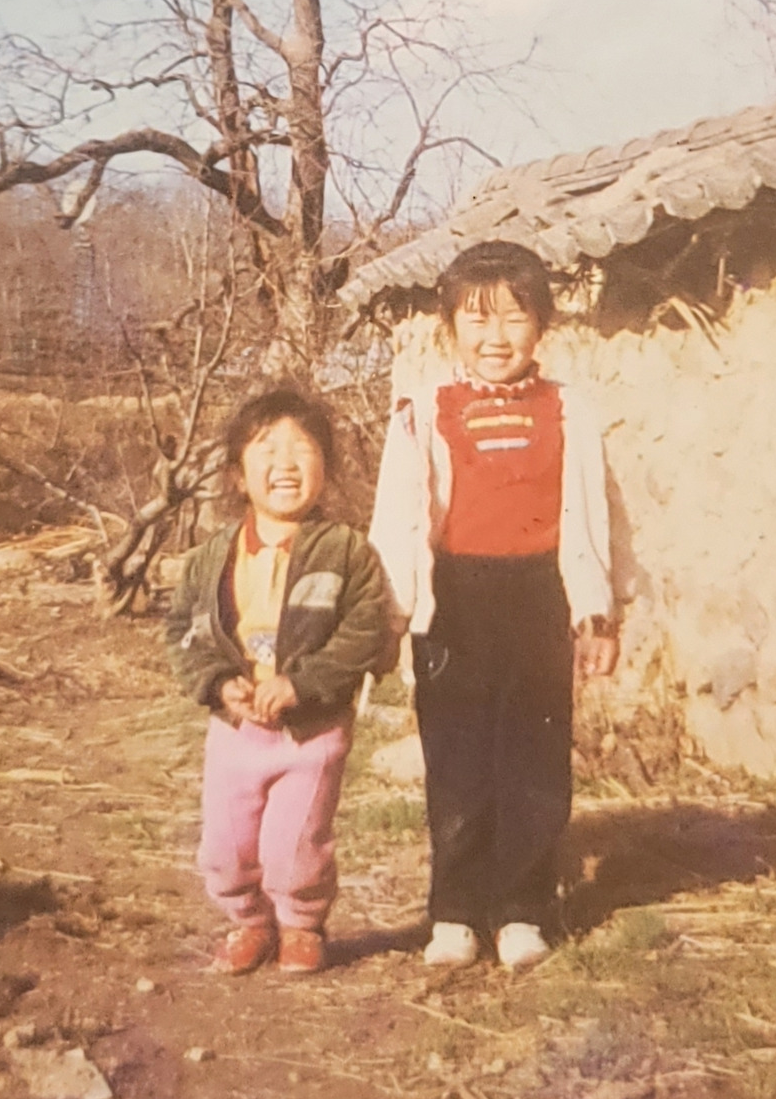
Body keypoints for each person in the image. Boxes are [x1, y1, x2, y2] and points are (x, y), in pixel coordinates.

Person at [369, 240, 619, 971]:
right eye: (478, 320)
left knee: (534, 760)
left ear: (542, 324)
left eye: (515, 317)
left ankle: (521, 908)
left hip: (538, 596)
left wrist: (595, 613)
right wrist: (390, 613)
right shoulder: (424, 410)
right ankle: (454, 910)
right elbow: (398, 518)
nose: (496, 337)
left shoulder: (568, 409)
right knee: (457, 759)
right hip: (455, 600)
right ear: (450, 327)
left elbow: (593, 517)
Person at [166, 387, 392, 976]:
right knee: (226, 848)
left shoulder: (346, 552)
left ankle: (300, 923)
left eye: (302, 448)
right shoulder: (211, 557)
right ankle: (250, 922)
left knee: (294, 845)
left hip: (311, 732)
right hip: (236, 732)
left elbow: (364, 631)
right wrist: (219, 683)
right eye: (267, 449)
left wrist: (302, 684)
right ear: (238, 475)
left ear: (327, 467)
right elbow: (183, 630)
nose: (285, 464)